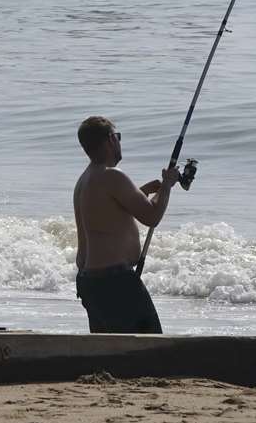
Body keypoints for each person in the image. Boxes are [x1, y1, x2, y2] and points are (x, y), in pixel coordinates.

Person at [72, 115, 178, 334]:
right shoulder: (112, 176)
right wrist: (167, 184)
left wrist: (144, 191)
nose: (119, 142)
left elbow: (107, 211)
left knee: (109, 351)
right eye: (118, 137)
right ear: (111, 139)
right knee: (149, 347)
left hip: (89, 281)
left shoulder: (85, 180)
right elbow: (151, 216)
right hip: (114, 282)